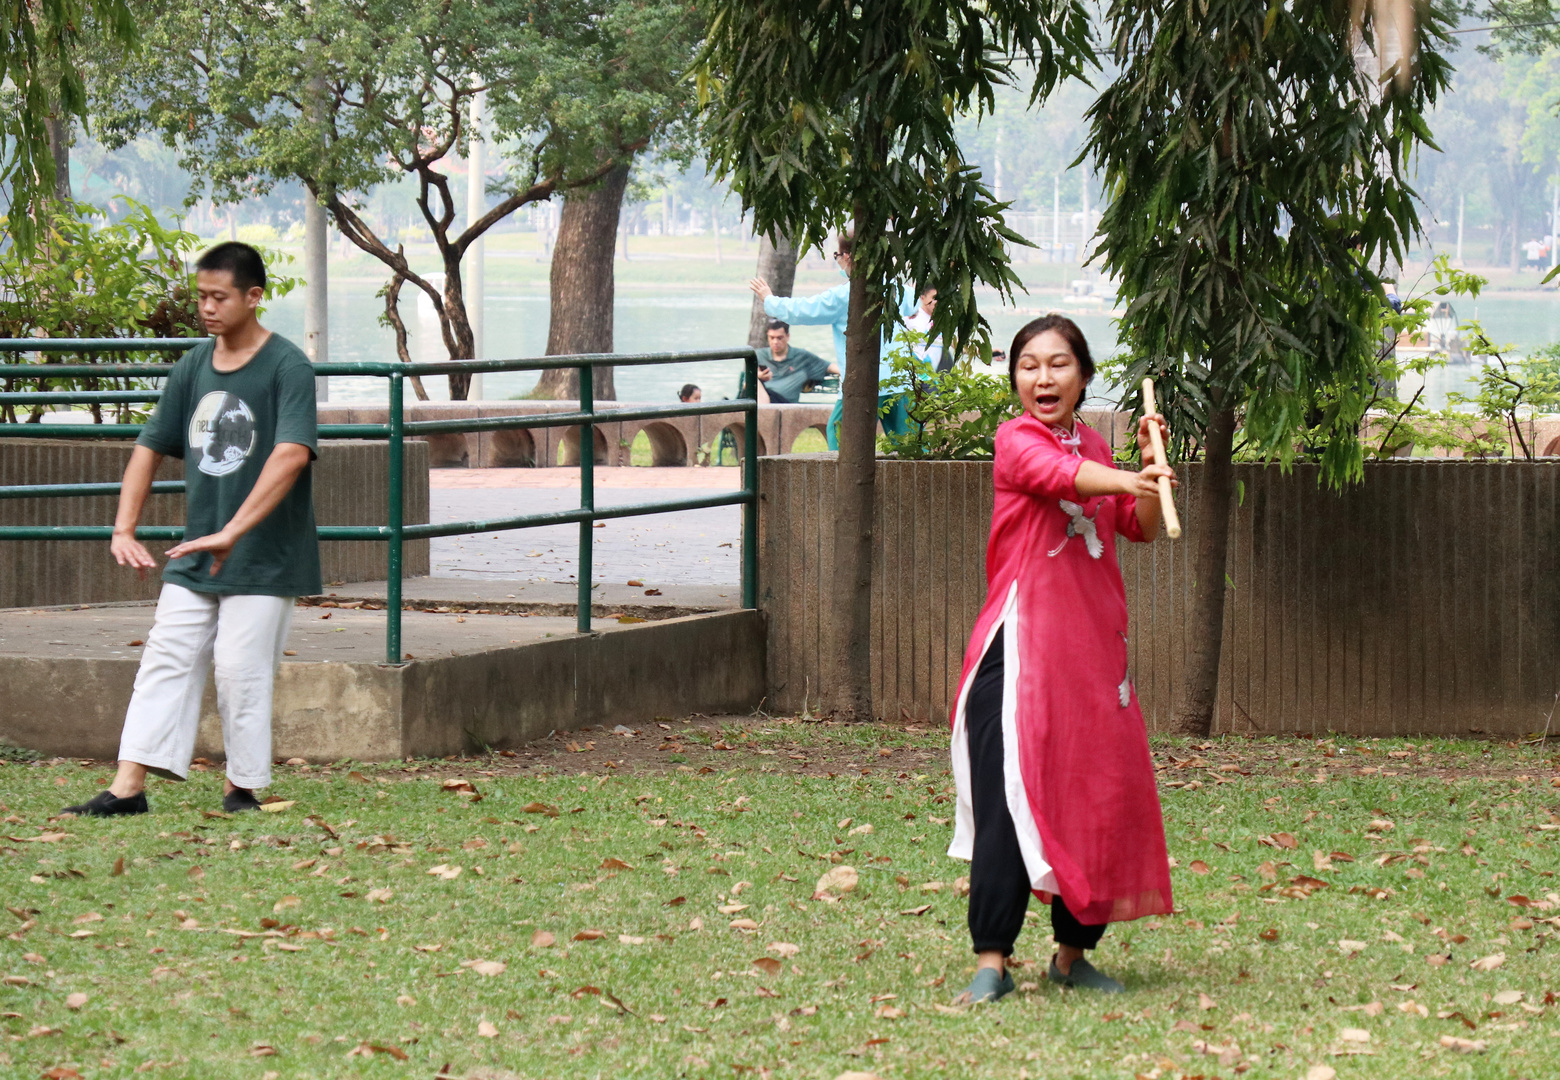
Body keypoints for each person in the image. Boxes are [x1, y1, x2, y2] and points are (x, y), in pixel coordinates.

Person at [949, 314, 1176, 1003]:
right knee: (1009, 799)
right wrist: (1120, 478)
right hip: (1020, 656)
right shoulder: (1016, 439)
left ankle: (1071, 956)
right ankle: (992, 960)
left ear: (1082, 375)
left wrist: (1150, 469)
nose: (1042, 378)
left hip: (1090, 654)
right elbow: (1061, 477)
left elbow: (1136, 526)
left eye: (1057, 365)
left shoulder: (1096, 445)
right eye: (1028, 365)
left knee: (1096, 793)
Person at [62, 241, 320, 818]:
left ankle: (241, 787)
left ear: (254, 298)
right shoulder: (193, 365)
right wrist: (123, 528)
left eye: (218, 297)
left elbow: (292, 453)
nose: (206, 307)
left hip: (264, 553)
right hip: (195, 549)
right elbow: (149, 446)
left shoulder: (286, 366)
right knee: (166, 655)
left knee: (238, 668)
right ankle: (128, 788)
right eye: (200, 295)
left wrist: (234, 531)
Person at [747, 233, 918, 448]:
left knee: (839, 437)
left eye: (837, 255)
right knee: (910, 445)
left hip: (862, 383)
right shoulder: (895, 288)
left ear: (847, 257)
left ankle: (841, 481)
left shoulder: (844, 296)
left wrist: (769, 299)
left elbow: (802, 310)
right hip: (899, 380)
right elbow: (917, 304)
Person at [755, 319, 835, 404]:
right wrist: (758, 376)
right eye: (772, 338)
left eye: (779, 338)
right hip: (761, 398)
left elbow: (828, 366)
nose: (775, 342)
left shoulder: (801, 356)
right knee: (753, 385)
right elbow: (746, 384)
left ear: (787, 336)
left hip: (784, 404)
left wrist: (848, 373)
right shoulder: (759, 355)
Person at [902, 284, 947, 373]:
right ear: (922, 298)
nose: (936, 302)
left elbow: (952, 341)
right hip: (918, 374)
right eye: (934, 298)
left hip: (932, 377)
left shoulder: (941, 320)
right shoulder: (912, 318)